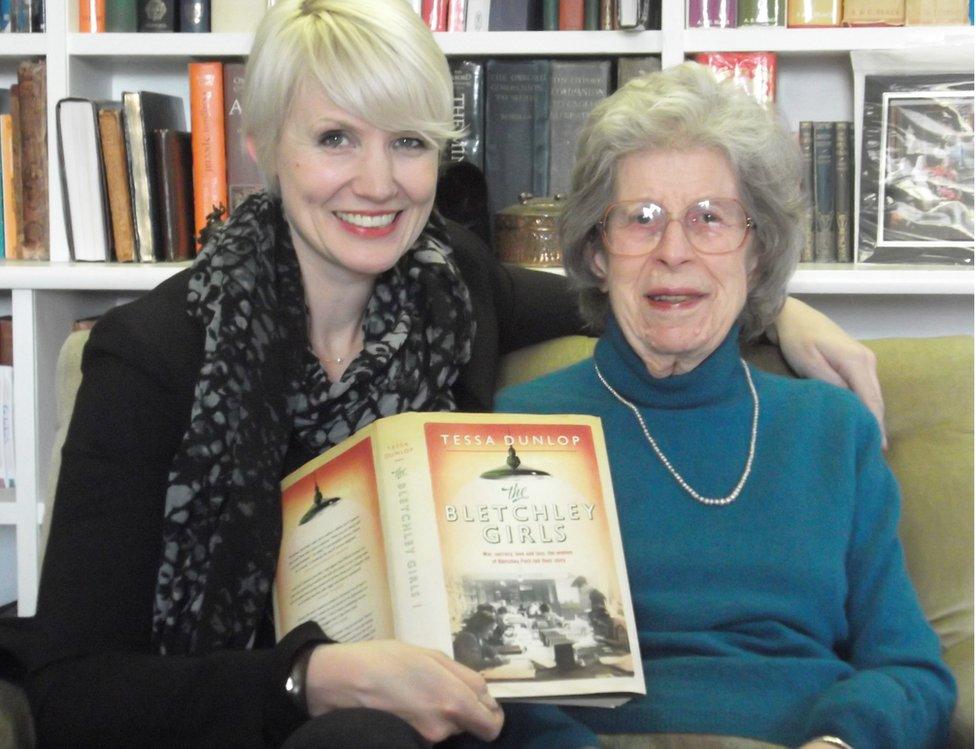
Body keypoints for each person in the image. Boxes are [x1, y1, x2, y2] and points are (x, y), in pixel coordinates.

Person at [0, 1, 891, 746]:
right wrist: (305, 677)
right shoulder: (149, 355)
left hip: (431, 716)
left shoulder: (451, 285)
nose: (378, 182)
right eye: (336, 138)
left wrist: (776, 306)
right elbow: (73, 689)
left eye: (411, 142)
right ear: (261, 143)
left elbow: (629, 280)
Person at [492, 62, 956, 749]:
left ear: (759, 253)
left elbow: (911, 669)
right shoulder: (515, 435)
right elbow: (494, 679)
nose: (673, 252)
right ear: (596, 252)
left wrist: (841, 741)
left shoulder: (832, 431)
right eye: (640, 219)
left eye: (711, 219)